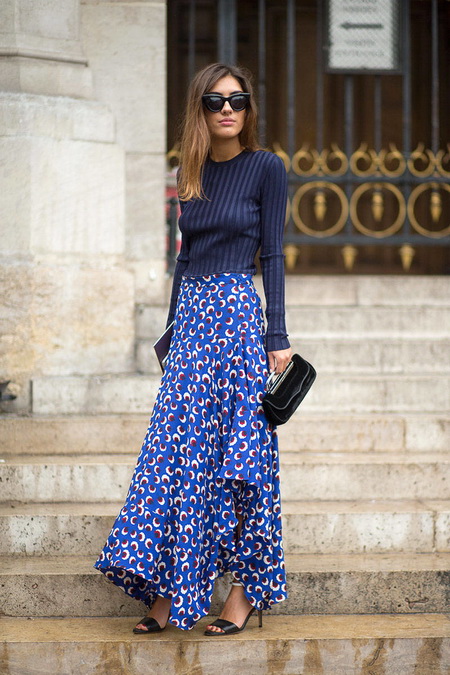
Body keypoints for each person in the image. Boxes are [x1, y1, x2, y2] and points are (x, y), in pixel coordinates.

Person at [94, 62, 292, 636]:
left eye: (237, 99)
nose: (227, 109)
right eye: (215, 100)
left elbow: (272, 255)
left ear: (248, 108)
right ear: (199, 109)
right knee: (176, 453)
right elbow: (184, 259)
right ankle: (169, 588)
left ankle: (243, 593)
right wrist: (172, 333)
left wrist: (277, 337)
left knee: (242, 456)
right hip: (192, 327)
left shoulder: (266, 168)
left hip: (237, 319)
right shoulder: (191, 172)